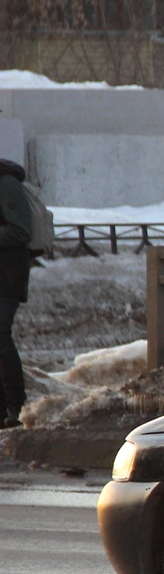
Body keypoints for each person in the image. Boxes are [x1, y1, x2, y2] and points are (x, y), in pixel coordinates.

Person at [0, 159, 34, 428]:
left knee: (0, 336)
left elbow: (21, 231)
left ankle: (16, 405)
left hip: (6, 276)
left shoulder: (7, 183)